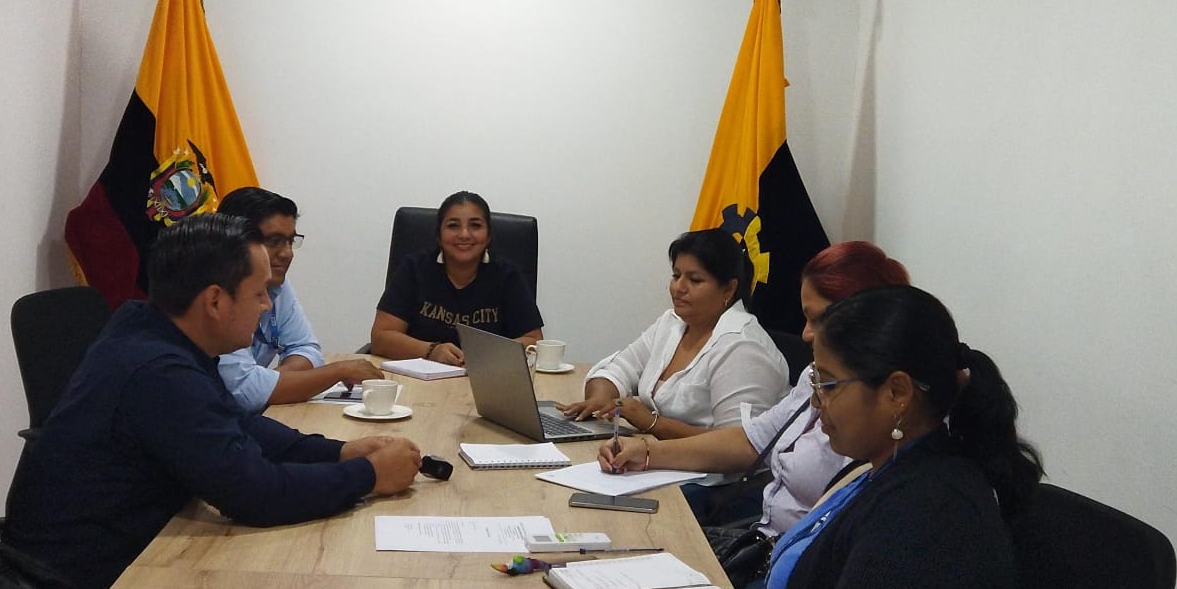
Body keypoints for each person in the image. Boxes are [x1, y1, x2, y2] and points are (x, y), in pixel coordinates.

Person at [559, 285, 1045, 589]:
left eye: (829, 386)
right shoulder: (886, 468)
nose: (815, 403)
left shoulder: (930, 511)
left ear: (897, 393)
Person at [4, 214, 422, 589]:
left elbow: (237, 424)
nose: (267, 305)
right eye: (258, 293)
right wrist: (368, 476)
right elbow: (254, 494)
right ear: (216, 301)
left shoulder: (147, 327)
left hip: (117, 555)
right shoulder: (160, 373)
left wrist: (339, 452)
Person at [601, 242, 910, 554]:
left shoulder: (876, 418)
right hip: (761, 542)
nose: (806, 334)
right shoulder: (812, 375)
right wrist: (647, 453)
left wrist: (652, 426)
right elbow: (750, 440)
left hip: (786, 556)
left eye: (817, 319)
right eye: (676, 275)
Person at [560, 228, 788, 459]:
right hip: (656, 458)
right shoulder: (672, 324)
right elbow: (618, 369)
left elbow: (737, 447)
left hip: (713, 476)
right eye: (676, 275)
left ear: (729, 288)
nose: (679, 288)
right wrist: (600, 400)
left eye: (695, 280)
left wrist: (652, 423)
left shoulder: (743, 347)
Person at [214, 188, 383, 410]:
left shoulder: (276, 284)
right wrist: (338, 371)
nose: (287, 253)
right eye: (274, 241)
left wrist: (270, 382)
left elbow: (307, 349)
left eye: (290, 241)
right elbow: (246, 392)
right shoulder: (217, 293)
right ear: (237, 241)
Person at [370, 191, 543, 365]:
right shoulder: (413, 269)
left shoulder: (508, 275)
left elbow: (533, 341)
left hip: (486, 376)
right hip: (418, 376)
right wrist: (431, 351)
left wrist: (485, 355)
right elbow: (381, 337)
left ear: (488, 236)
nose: (464, 234)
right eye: (453, 226)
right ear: (439, 236)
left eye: (475, 226)